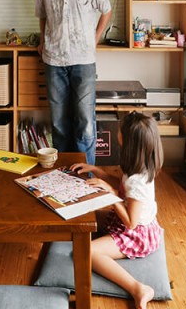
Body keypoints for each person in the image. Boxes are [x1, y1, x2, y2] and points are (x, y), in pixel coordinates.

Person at [69, 111, 164, 309]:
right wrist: (97, 171)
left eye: (120, 130)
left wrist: (110, 195)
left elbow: (131, 222)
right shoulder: (136, 165)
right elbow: (122, 188)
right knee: (84, 214)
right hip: (125, 220)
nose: (117, 131)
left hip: (135, 233)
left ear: (128, 140)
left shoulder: (139, 181)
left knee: (88, 251)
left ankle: (138, 288)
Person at [34, 0, 112, 165]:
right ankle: (64, 169)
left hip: (83, 59)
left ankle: (85, 171)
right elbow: (43, 16)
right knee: (58, 121)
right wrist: (42, 41)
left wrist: (95, 38)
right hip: (53, 59)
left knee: (85, 120)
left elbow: (106, 11)